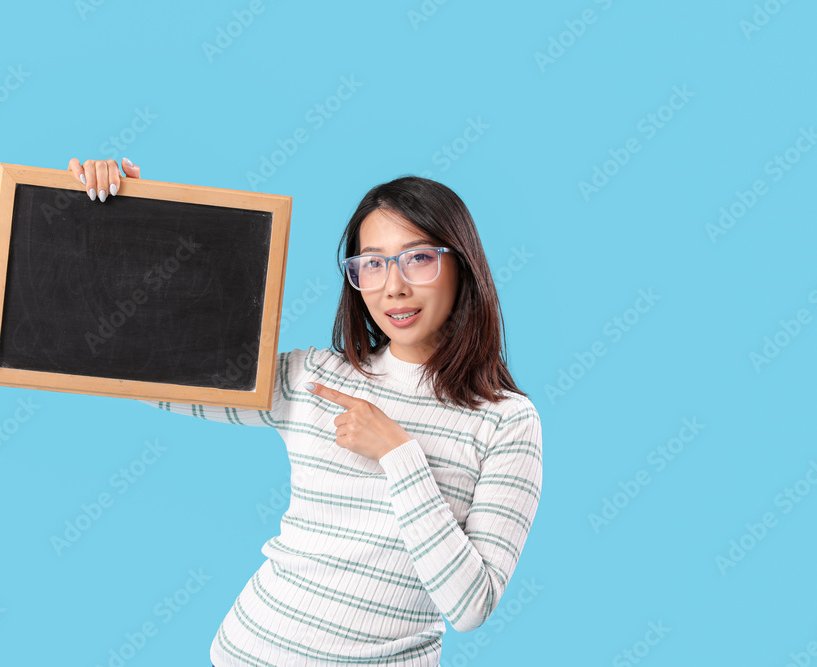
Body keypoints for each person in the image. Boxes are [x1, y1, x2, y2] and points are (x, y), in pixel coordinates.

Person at [67, 157, 543, 667]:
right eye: (373, 263)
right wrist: (133, 220)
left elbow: (471, 606)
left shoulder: (507, 421)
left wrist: (401, 456)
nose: (393, 287)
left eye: (418, 258)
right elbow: (155, 372)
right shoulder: (313, 378)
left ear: (462, 263)